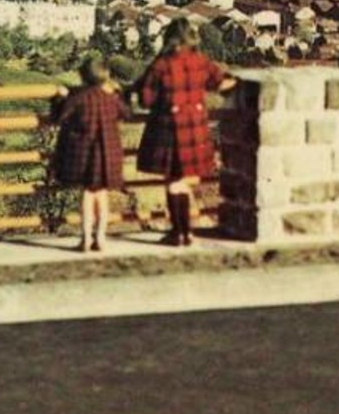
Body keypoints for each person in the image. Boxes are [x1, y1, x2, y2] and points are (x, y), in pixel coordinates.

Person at [133, 19, 236, 246]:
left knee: (173, 182)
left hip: (168, 129)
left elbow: (146, 99)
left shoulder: (161, 64)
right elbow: (221, 83)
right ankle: (187, 232)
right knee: (183, 182)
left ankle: (179, 232)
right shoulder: (201, 61)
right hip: (195, 130)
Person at [50, 55, 131, 253]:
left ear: (83, 77)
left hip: (83, 153)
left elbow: (59, 116)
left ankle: (85, 239)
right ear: (106, 76)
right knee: (102, 196)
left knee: (87, 195)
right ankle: (100, 238)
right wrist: (120, 94)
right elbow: (127, 113)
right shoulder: (110, 98)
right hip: (107, 154)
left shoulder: (79, 97)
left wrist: (59, 97)